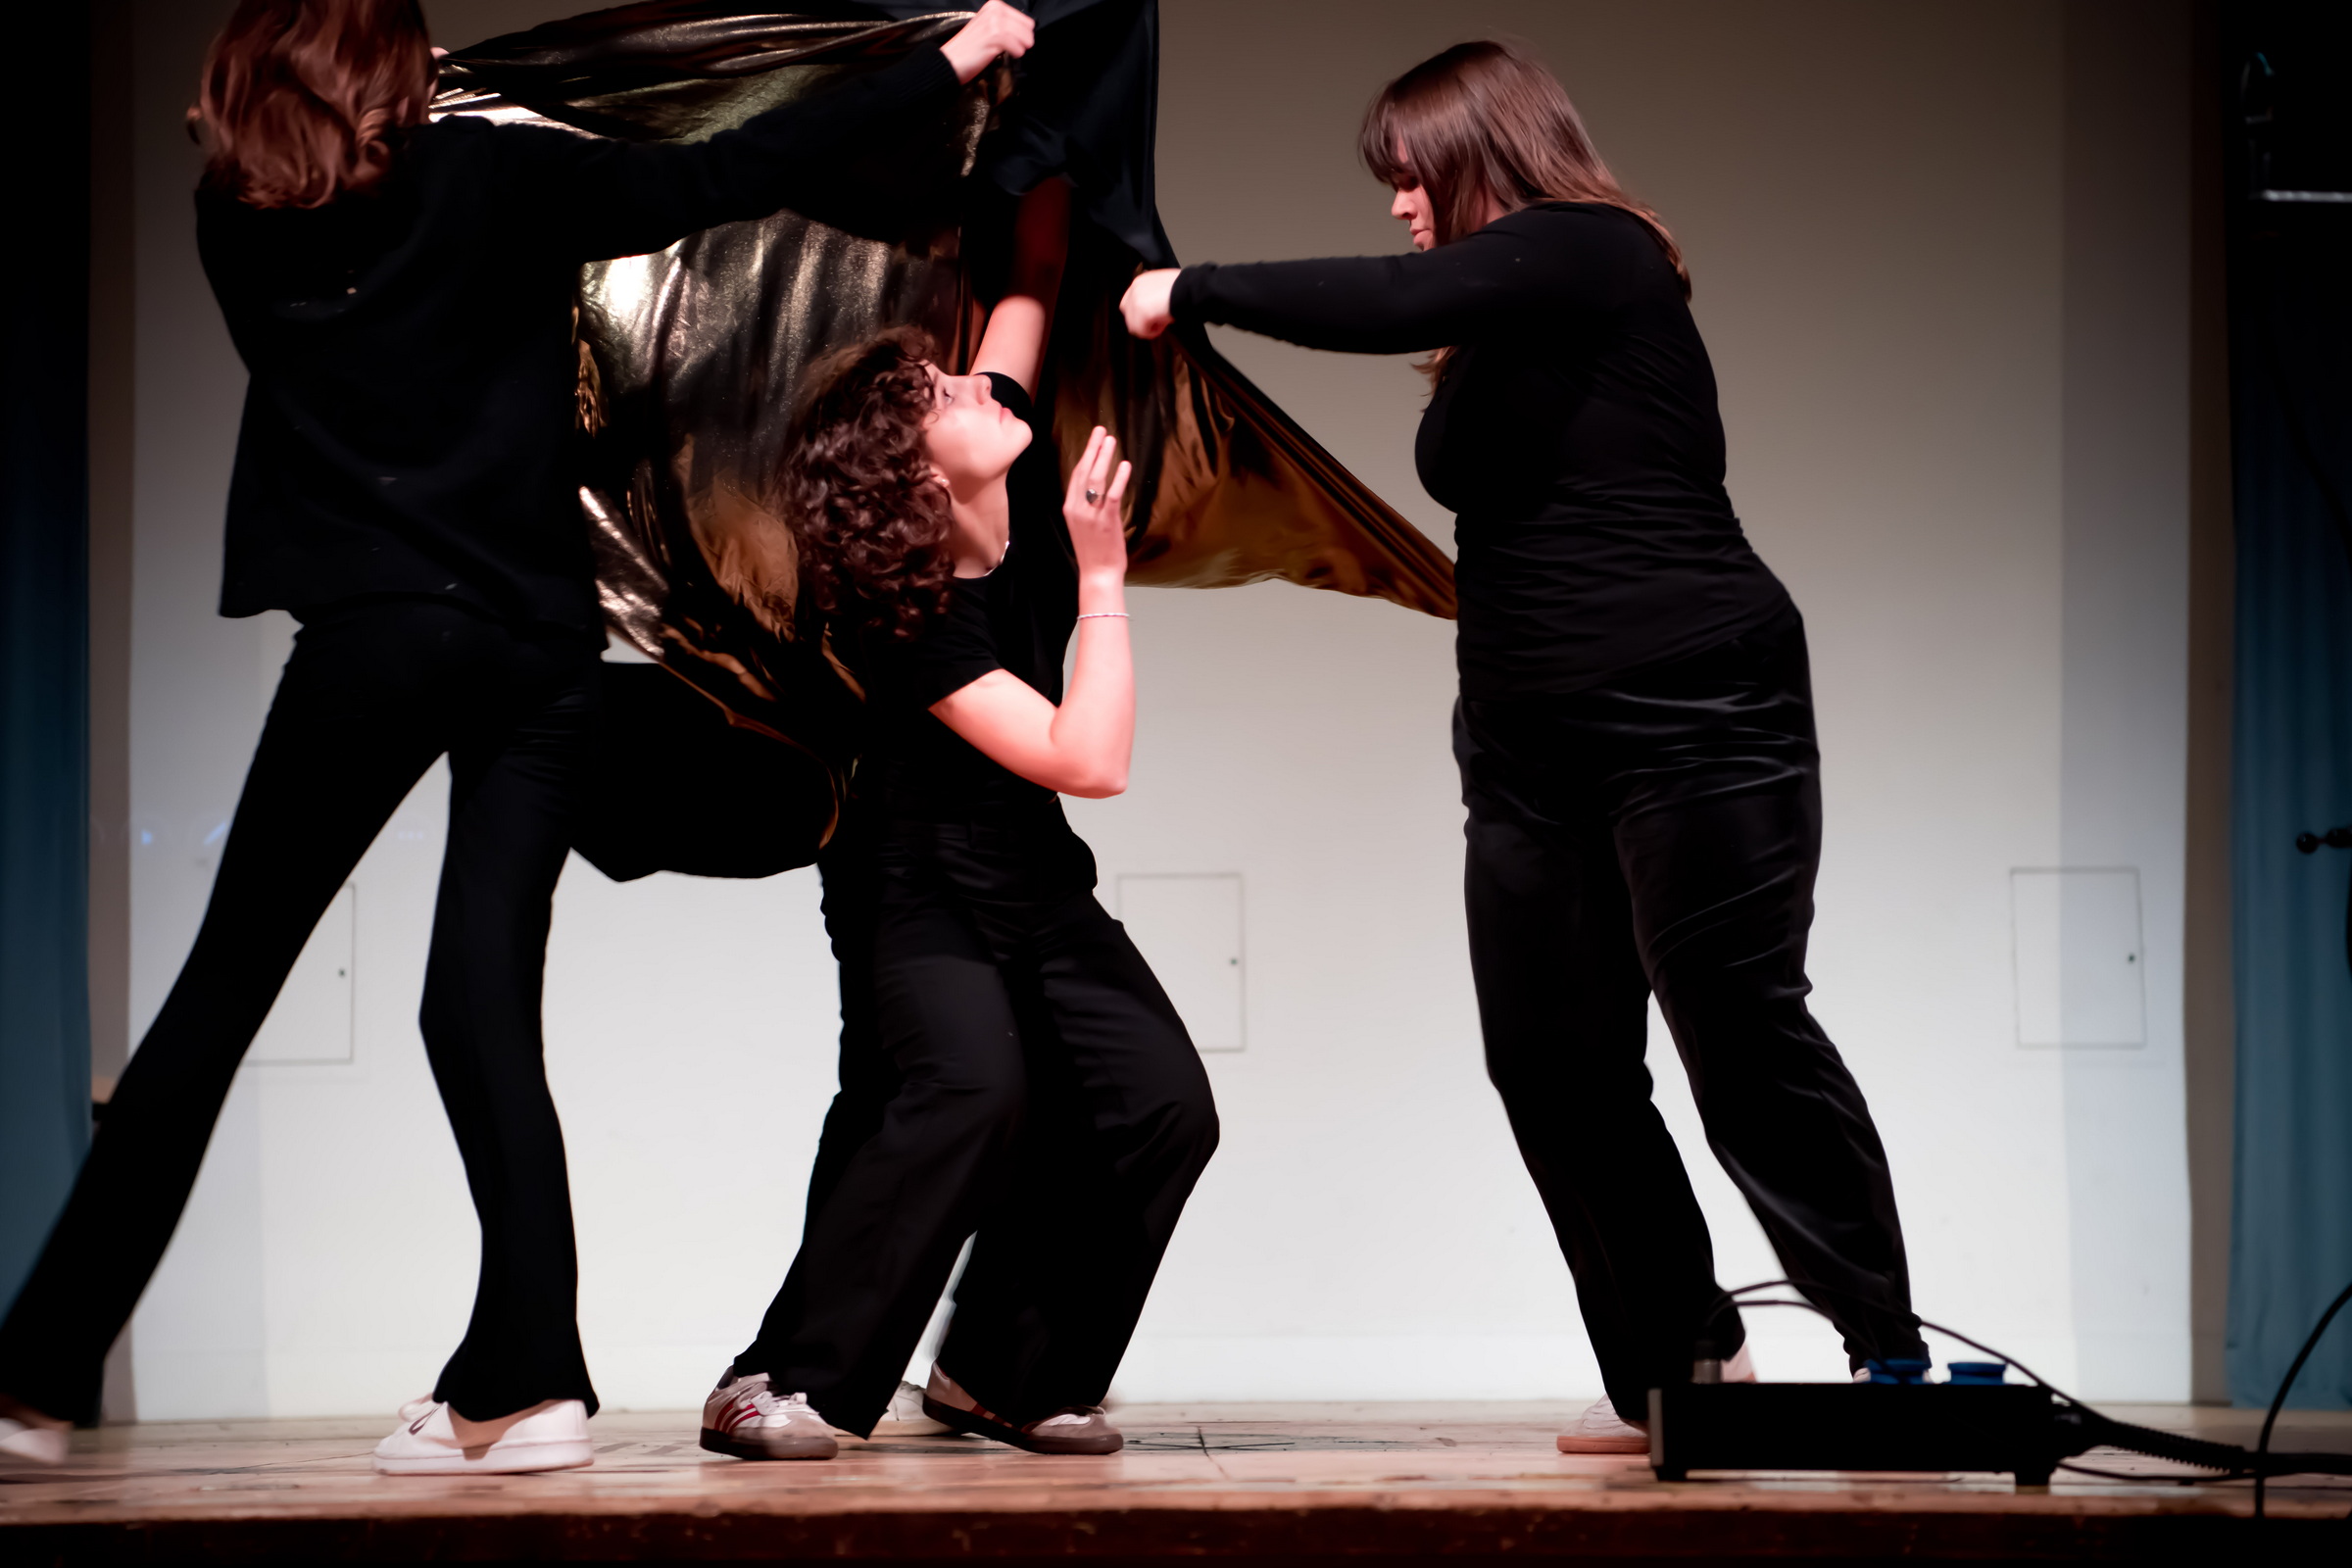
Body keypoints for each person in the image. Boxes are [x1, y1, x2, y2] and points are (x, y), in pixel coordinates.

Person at [0, 0, 1036, 1476]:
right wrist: (946, 62)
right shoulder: (495, 173)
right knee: (477, 1004)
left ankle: (39, 1372)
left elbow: (365, 234)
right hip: (534, 648)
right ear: (394, 62)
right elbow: (729, 169)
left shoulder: (236, 220)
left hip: (374, 639)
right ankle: (528, 1376)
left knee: (223, 995)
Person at [1121, 39, 1928, 1453]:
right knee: (1553, 1063)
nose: (1397, 205)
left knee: (1740, 1033)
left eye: (1409, 175)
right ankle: (1680, 1371)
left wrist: (1193, 291)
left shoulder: (1599, 249)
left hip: (1695, 711)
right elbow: (1430, 330)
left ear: (1479, 154)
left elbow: (1393, 299)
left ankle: (1890, 1359)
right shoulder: (1503, 321)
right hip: (1523, 745)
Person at [699, 178, 1219, 1462]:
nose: (970, 382)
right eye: (938, 392)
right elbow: (1086, 759)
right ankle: (783, 1379)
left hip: (1031, 881)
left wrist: (1055, 140)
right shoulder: (906, 607)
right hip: (910, 886)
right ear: (911, 472)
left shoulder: (996, 440)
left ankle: (1002, 1371)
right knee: (970, 1093)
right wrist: (1101, 574)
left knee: (1161, 1101)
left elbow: (1028, 285)